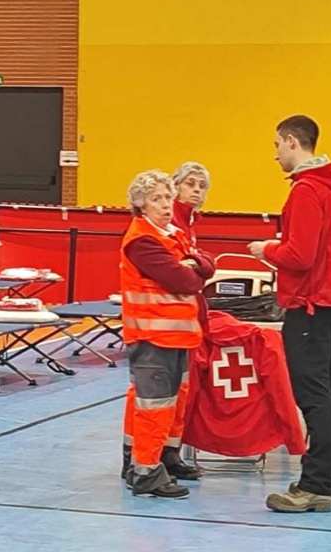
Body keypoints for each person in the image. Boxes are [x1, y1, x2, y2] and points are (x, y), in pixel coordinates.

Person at [247, 115, 331, 513]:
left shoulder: (307, 191)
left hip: (311, 303)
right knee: (327, 391)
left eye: (277, 144)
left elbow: (301, 255)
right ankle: (328, 482)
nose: (275, 154)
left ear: (293, 142)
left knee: (314, 396)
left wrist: (267, 251)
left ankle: (314, 484)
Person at [119, 170, 214, 499]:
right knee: (154, 407)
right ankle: (145, 469)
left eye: (167, 198)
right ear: (140, 204)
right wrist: (192, 268)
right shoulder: (142, 240)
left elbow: (206, 265)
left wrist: (194, 265)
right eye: (156, 199)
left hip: (177, 337)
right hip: (151, 338)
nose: (165, 205)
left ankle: (163, 459)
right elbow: (186, 280)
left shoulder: (172, 234)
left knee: (172, 404)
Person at [171, 161, 213, 328]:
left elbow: (197, 261)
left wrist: (200, 261)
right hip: (173, 309)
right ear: (176, 187)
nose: (197, 189)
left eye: (202, 186)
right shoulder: (169, 219)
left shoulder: (190, 220)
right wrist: (202, 263)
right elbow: (179, 270)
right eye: (190, 184)